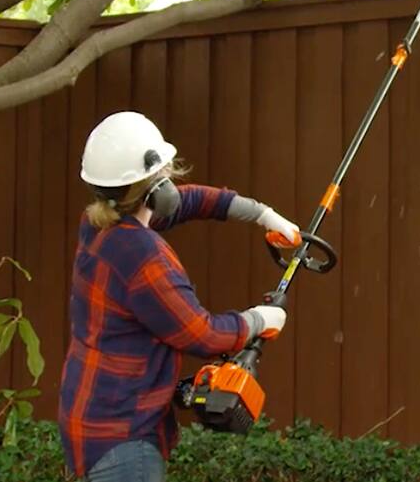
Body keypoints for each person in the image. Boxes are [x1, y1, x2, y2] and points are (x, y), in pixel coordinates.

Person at [58, 111, 300, 482]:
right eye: (165, 177)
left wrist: (261, 214)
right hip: (124, 438)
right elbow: (202, 334)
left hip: (90, 419)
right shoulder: (143, 257)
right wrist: (259, 319)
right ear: (155, 189)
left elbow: (185, 202)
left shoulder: (98, 225)